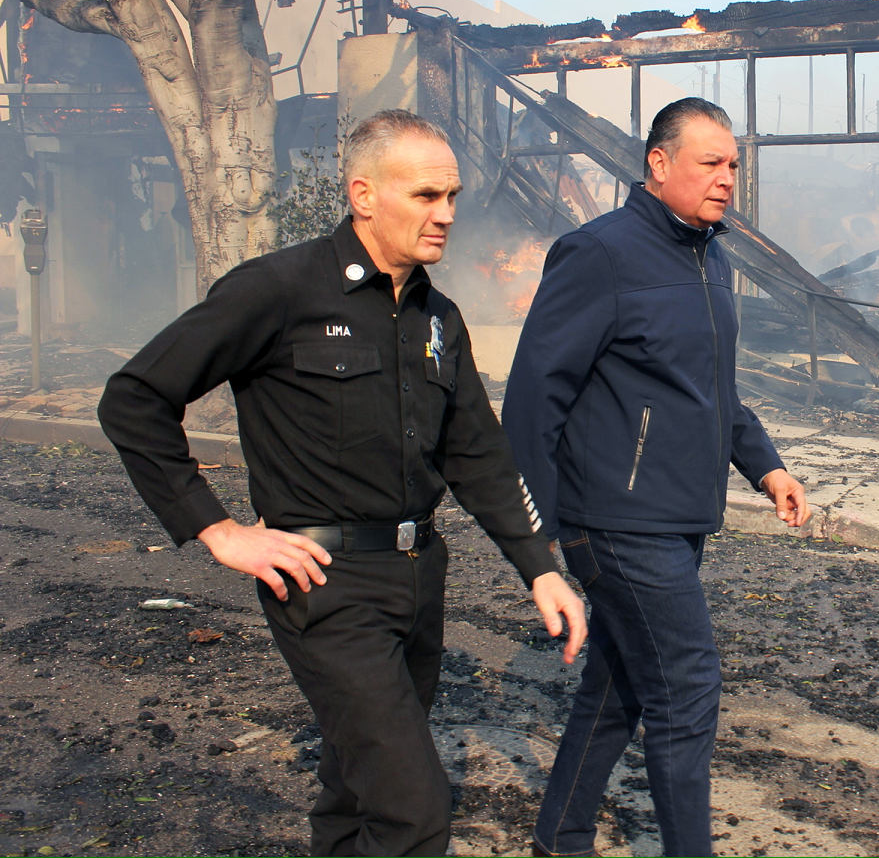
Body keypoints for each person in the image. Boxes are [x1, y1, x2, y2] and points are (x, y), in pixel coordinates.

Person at [97, 109, 585, 857]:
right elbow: (134, 399)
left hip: (419, 579)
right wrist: (218, 529)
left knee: (356, 796)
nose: (446, 214)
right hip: (324, 584)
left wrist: (538, 569)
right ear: (363, 195)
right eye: (426, 196)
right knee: (412, 811)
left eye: (452, 196)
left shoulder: (436, 317)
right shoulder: (279, 290)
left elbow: (478, 455)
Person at [502, 97, 811, 857]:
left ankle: (561, 838)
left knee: (619, 686)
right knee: (687, 686)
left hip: (675, 514)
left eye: (734, 164)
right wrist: (535, 538)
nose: (727, 178)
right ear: (658, 165)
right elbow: (534, 394)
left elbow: (712, 389)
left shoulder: (713, 258)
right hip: (614, 516)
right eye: (710, 162)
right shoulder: (599, 253)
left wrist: (767, 467)